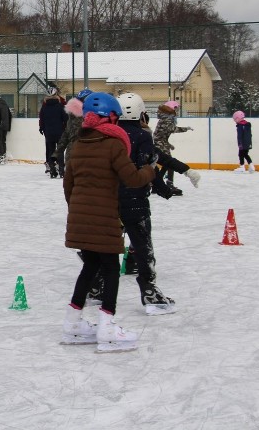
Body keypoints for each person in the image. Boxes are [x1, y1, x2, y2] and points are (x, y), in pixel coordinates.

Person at [60, 92, 155, 352]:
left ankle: (73, 323)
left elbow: (68, 186)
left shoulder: (78, 145)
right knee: (112, 268)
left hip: (80, 217)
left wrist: (80, 211)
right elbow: (133, 179)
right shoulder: (113, 144)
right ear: (110, 117)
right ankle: (107, 327)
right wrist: (151, 170)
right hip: (103, 218)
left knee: (90, 266)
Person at [115, 93, 177, 315]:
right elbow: (149, 166)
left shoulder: (111, 133)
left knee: (107, 244)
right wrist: (164, 190)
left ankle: (96, 286)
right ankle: (149, 290)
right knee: (142, 245)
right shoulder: (142, 136)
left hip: (112, 198)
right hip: (135, 199)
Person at [152, 100, 194, 196]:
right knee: (170, 163)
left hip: (161, 143)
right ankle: (167, 184)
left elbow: (161, 134)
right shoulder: (167, 119)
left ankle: (157, 185)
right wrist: (186, 129)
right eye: (176, 108)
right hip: (160, 144)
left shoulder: (165, 119)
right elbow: (173, 129)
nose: (177, 111)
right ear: (171, 109)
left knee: (167, 164)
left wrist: (168, 144)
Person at [52, 88, 92, 170]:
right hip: (82, 155)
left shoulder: (72, 117)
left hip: (73, 154)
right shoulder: (87, 118)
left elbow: (65, 135)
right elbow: (66, 135)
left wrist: (57, 152)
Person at [39, 86, 68, 178]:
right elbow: (66, 119)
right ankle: (61, 171)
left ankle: (52, 171)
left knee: (51, 150)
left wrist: (42, 128)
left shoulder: (44, 107)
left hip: (48, 133)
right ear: (56, 95)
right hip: (59, 132)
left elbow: (42, 120)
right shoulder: (61, 106)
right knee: (59, 151)